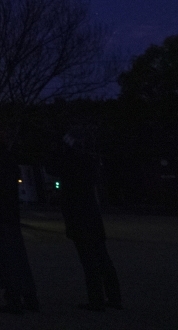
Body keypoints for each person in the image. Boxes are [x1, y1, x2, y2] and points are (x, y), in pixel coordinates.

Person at [50, 129, 122, 311]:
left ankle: (96, 299)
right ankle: (114, 297)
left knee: (89, 259)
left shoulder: (70, 164)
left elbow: (52, 167)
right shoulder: (88, 162)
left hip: (78, 216)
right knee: (102, 257)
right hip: (92, 216)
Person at [0, 129, 40, 314]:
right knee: (18, 255)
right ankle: (29, 297)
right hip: (10, 213)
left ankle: (13, 297)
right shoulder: (8, 159)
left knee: (4, 256)